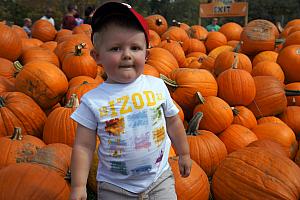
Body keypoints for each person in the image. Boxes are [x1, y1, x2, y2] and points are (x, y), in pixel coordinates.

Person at [69, 2, 192, 200]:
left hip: (160, 180)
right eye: (116, 48)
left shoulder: (157, 86)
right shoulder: (93, 101)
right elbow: (84, 146)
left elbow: (173, 121)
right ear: (97, 56)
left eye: (135, 48)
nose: (126, 55)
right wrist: (78, 185)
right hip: (115, 188)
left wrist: (184, 153)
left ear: (146, 54)